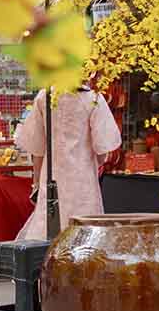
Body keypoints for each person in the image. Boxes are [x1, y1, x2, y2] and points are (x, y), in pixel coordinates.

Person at [13, 85, 121, 240]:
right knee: (85, 236)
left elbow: (36, 149)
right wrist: (93, 163)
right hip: (83, 181)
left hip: (51, 178)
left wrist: (36, 182)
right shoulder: (93, 99)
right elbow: (102, 150)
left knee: (46, 232)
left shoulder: (44, 97)